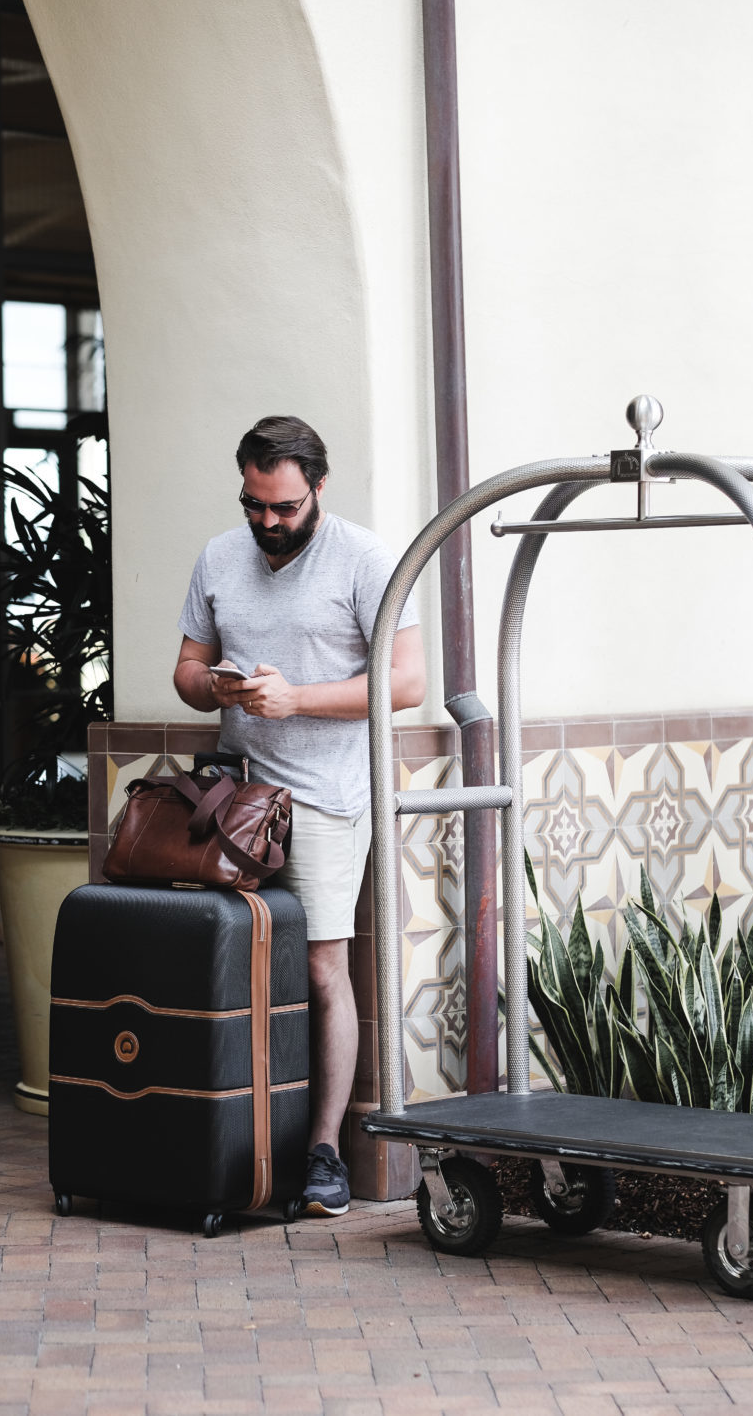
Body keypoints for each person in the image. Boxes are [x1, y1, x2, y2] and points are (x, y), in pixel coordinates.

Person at [173, 415, 426, 1216]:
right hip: (234, 800)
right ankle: (232, 1135)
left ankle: (323, 1153)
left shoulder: (366, 558)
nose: (269, 523)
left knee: (321, 969)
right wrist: (212, 685)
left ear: (318, 487)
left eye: (284, 508)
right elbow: (184, 666)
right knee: (228, 964)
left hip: (324, 801)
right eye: (255, 505)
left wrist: (297, 700)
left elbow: (409, 684)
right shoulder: (219, 555)